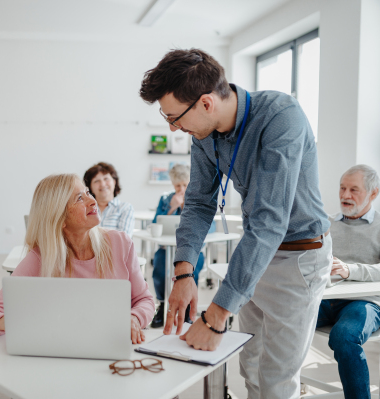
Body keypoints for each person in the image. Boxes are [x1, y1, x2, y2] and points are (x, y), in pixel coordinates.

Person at [139, 48, 331, 398]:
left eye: (174, 117)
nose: (173, 127)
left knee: (276, 380)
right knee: (250, 367)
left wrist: (215, 316)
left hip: (298, 257)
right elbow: (197, 204)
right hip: (254, 256)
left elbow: (270, 221)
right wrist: (184, 274)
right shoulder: (204, 134)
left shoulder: (281, 117)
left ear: (206, 103)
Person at [0, 174, 154, 343]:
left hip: (114, 348)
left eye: (87, 193)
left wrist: (134, 318)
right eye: (79, 198)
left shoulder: (121, 243)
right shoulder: (40, 258)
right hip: (63, 352)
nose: (92, 201)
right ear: (60, 218)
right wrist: (12, 321)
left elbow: (145, 300)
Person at [316, 165, 380, 399]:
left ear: (374, 193)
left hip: (362, 303)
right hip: (324, 297)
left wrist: (349, 270)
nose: (345, 195)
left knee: (344, 337)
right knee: (282, 324)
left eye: (354, 190)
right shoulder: (326, 223)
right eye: (342, 188)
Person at [150, 163, 216, 328]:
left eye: (185, 185)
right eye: (178, 185)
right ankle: (162, 304)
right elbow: (155, 224)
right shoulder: (166, 199)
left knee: (194, 269)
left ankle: (187, 308)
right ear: (173, 185)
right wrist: (172, 208)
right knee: (158, 268)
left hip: (192, 251)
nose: (181, 189)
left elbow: (211, 227)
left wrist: (186, 206)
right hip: (167, 248)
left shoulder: (198, 201)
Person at [83, 162, 135, 237]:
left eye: (106, 179)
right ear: (90, 187)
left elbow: (124, 240)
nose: (102, 184)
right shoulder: (85, 209)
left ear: (114, 182)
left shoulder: (125, 208)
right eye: (96, 181)